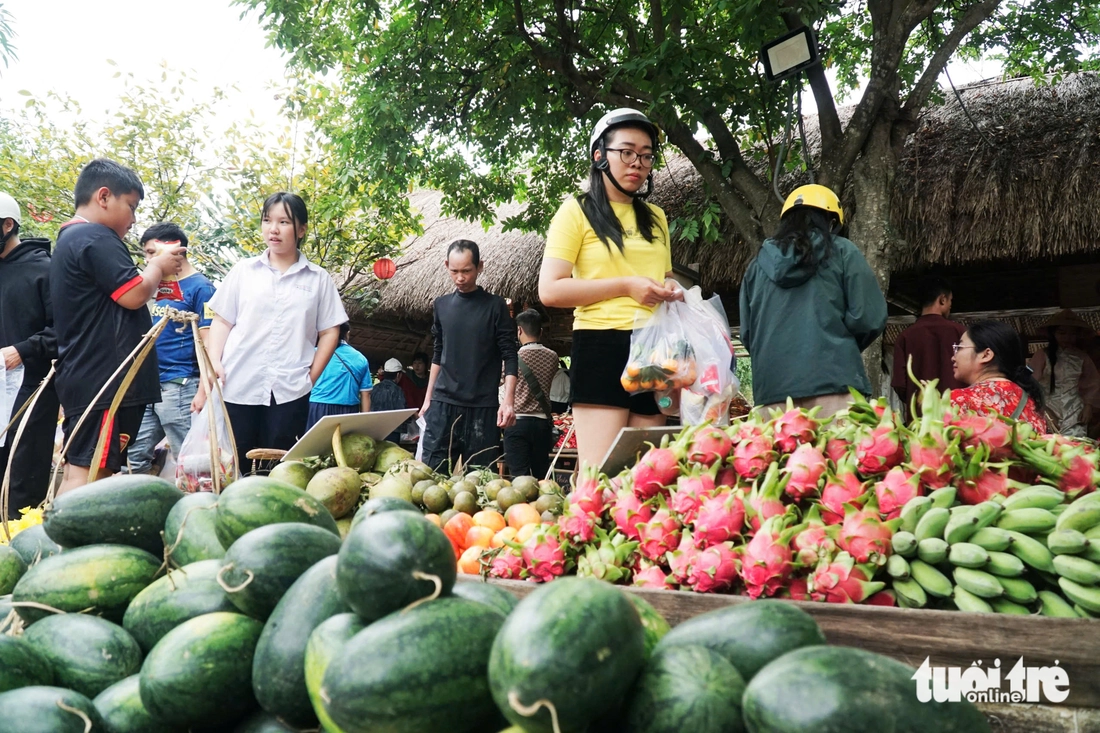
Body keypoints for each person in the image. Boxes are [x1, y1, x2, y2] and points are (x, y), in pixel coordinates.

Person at [538, 108, 680, 469]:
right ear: (600, 155)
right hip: (601, 343)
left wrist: (670, 287)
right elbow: (550, 291)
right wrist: (625, 286)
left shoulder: (657, 217)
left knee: (644, 476)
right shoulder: (576, 211)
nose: (638, 163)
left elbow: (661, 276)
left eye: (646, 155)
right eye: (627, 152)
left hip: (654, 348)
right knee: (598, 472)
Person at [50, 159, 185, 494]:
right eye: (131, 206)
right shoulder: (95, 237)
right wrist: (156, 266)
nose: (134, 218)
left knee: (80, 467)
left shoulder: (71, 238)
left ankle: (57, 542)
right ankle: (76, 544)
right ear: (104, 197)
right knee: (93, 475)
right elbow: (134, 294)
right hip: (106, 381)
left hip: (89, 375)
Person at [206, 192, 347, 462]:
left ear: (301, 229)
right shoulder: (243, 271)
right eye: (267, 220)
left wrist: (311, 377)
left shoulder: (318, 279)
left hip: (290, 389)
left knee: (279, 465)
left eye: (284, 222)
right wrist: (215, 360)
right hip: (238, 383)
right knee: (237, 462)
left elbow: (330, 330)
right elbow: (222, 320)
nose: (273, 229)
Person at [739, 184, 887, 418]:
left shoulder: (756, 267)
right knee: (839, 454)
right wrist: (837, 346)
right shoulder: (842, 251)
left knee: (781, 456)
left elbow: (748, 334)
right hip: (835, 384)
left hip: (772, 393)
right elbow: (868, 317)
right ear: (829, 222)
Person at [126, 223, 218, 475]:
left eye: (151, 253)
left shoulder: (203, 288)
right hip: (147, 386)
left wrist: (203, 391)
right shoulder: (154, 285)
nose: (147, 260)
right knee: (133, 455)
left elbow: (209, 343)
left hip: (180, 386)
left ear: (175, 249)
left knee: (188, 460)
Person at [420, 240, 518, 473]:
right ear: (446, 265)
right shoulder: (441, 305)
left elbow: (510, 355)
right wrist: (428, 399)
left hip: (483, 408)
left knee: (481, 483)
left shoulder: (495, 306)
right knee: (432, 478)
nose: (460, 278)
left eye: (467, 271)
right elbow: (438, 354)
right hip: (443, 404)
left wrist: (508, 401)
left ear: (480, 267)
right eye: (454, 271)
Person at [0, 193, 60, 515]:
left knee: (22, 476)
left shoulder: (46, 270)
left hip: (32, 391)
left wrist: (22, 351)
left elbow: (65, 331)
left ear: (7, 225)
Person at [951, 320, 1047, 434]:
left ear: (986, 355)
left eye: (960, 347)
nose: (953, 357)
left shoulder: (960, 400)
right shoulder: (1032, 402)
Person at [891, 275, 967, 419]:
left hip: (920, 420)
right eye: (950, 300)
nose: (951, 305)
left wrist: (918, 400)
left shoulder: (905, 337)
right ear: (942, 299)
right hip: (956, 418)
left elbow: (900, 384)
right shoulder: (960, 332)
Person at [503, 309, 559, 478]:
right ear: (541, 332)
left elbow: (500, 380)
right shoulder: (553, 356)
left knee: (519, 477)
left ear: (519, 330)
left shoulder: (513, 358)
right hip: (542, 424)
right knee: (541, 475)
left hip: (516, 423)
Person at [1027, 309, 1100, 437]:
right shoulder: (1042, 354)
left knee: (1076, 443)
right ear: (1053, 333)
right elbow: (1030, 382)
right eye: (1062, 333)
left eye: (1072, 334)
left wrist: (1088, 407)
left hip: (1075, 409)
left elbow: (1092, 384)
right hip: (1046, 407)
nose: (1067, 337)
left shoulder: (1082, 357)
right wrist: (1039, 407)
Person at [306, 322, 373, 430]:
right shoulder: (360, 358)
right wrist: (365, 424)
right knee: (344, 445)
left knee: (316, 445)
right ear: (348, 334)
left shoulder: (314, 354)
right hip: (349, 411)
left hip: (318, 407)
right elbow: (366, 394)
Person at [370, 358, 408, 443]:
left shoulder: (374, 388)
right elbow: (402, 412)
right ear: (398, 375)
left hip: (374, 430)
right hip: (393, 432)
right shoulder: (398, 391)